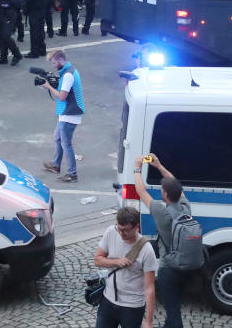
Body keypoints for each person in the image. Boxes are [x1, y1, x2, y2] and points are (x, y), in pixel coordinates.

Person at [132, 154, 192, 328]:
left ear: (165, 195)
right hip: (186, 267)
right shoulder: (186, 207)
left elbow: (141, 190)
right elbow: (175, 183)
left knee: (172, 310)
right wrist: (159, 166)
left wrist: (137, 167)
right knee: (174, 306)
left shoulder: (161, 212)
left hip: (169, 269)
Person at [92, 207, 157, 328]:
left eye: (125, 230)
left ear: (136, 226)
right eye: (119, 228)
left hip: (132, 307)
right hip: (108, 300)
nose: (121, 233)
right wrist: (116, 261)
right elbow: (97, 260)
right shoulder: (111, 232)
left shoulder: (146, 250)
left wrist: (149, 321)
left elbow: (150, 287)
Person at [40, 50, 84, 183]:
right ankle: (55, 165)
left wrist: (48, 87)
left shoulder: (67, 76)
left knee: (66, 143)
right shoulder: (69, 71)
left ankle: (72, 174)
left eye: (54, 62)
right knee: (58, 138)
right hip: (68, 113)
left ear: (60, 60)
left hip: (69, 113)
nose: (53, 65)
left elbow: (61, 96)